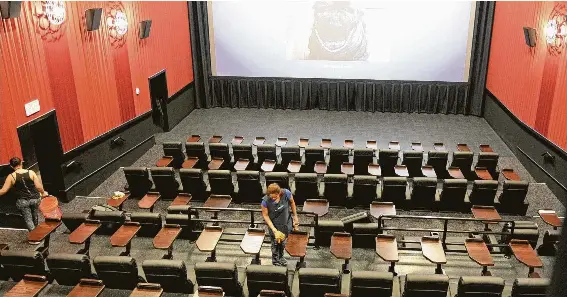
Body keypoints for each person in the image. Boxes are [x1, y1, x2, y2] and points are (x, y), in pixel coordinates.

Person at [0, 157, 48, 231]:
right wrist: (43, 192)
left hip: (23, 201)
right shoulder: (31, 172)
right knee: (35, 216)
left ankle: (35, 238)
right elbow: (38, 187)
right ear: (21, 163)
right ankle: (37, 233)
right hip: (35, 199)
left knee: (28, 219)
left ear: (11, 166)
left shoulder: (11, 176)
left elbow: (3, 190)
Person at [261, 183, 300, 266]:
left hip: (286, 224)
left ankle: (281, 257)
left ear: (279, 193)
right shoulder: (265, 201)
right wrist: (274, 230)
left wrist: (295, 216)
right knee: (275, 244)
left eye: (275, 197)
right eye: (271, 197)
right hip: (274, 225)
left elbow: (292, 202)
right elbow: (265, 215)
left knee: (282, 243)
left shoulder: (286, 193)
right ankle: (275, 261)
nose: (273, 198)